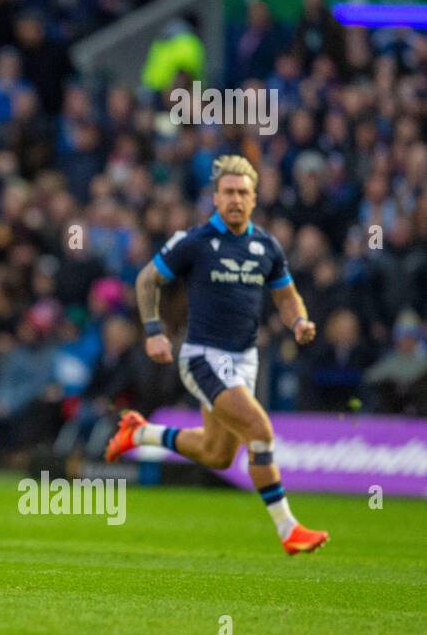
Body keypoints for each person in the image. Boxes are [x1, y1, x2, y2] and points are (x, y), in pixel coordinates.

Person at [106, 154, 329, 555]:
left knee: (218, 453)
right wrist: (154, 331)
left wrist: (298, 322)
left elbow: (286, 296)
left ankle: (140, 433)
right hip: (203, 357)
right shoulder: (195, 242)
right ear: (215, 196)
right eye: (228, 192)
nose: (235, 199)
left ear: (254, 198)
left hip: (245, 359)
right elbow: (147, 280)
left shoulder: (266, 245)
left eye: (243, 192)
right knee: (260, 431)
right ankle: (288, 529)